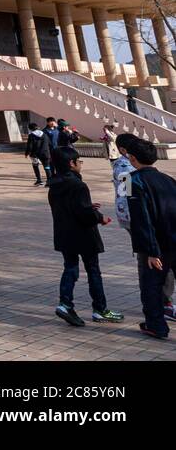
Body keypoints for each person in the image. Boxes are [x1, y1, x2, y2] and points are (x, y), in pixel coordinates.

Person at [48, 145, 123, 326]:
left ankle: (65, 303)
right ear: (71, 163)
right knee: (93, 271)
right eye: (79, 160)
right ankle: (100, 309)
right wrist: (99, 218)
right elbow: (83, 214)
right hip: (83, 235)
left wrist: (88, 207)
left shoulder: (54, 184)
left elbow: (72, 207)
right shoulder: (78, 185)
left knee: (70, 268)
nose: (80, 164)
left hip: (65, 234)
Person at [117, 134, 176, 339]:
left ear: (131, 156)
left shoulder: (130, 178)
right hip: (173, 238)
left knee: (150, 283)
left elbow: (138, 216)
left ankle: (156, 325)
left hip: (155, 242)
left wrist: (150, 250)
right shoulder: (168, 179)